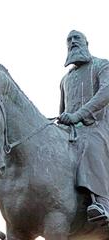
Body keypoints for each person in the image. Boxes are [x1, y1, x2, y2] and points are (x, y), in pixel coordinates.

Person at [58, 30, 109, 223]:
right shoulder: (65, 80)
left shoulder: (102, 65)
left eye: (76, 38)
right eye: (69, 40)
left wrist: (78, 115)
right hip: (70, 131)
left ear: (86, 42)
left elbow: (106, 92)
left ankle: (103, 203)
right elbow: (63, 110)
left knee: (90, 144)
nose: (72, 42)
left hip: (98, 126)